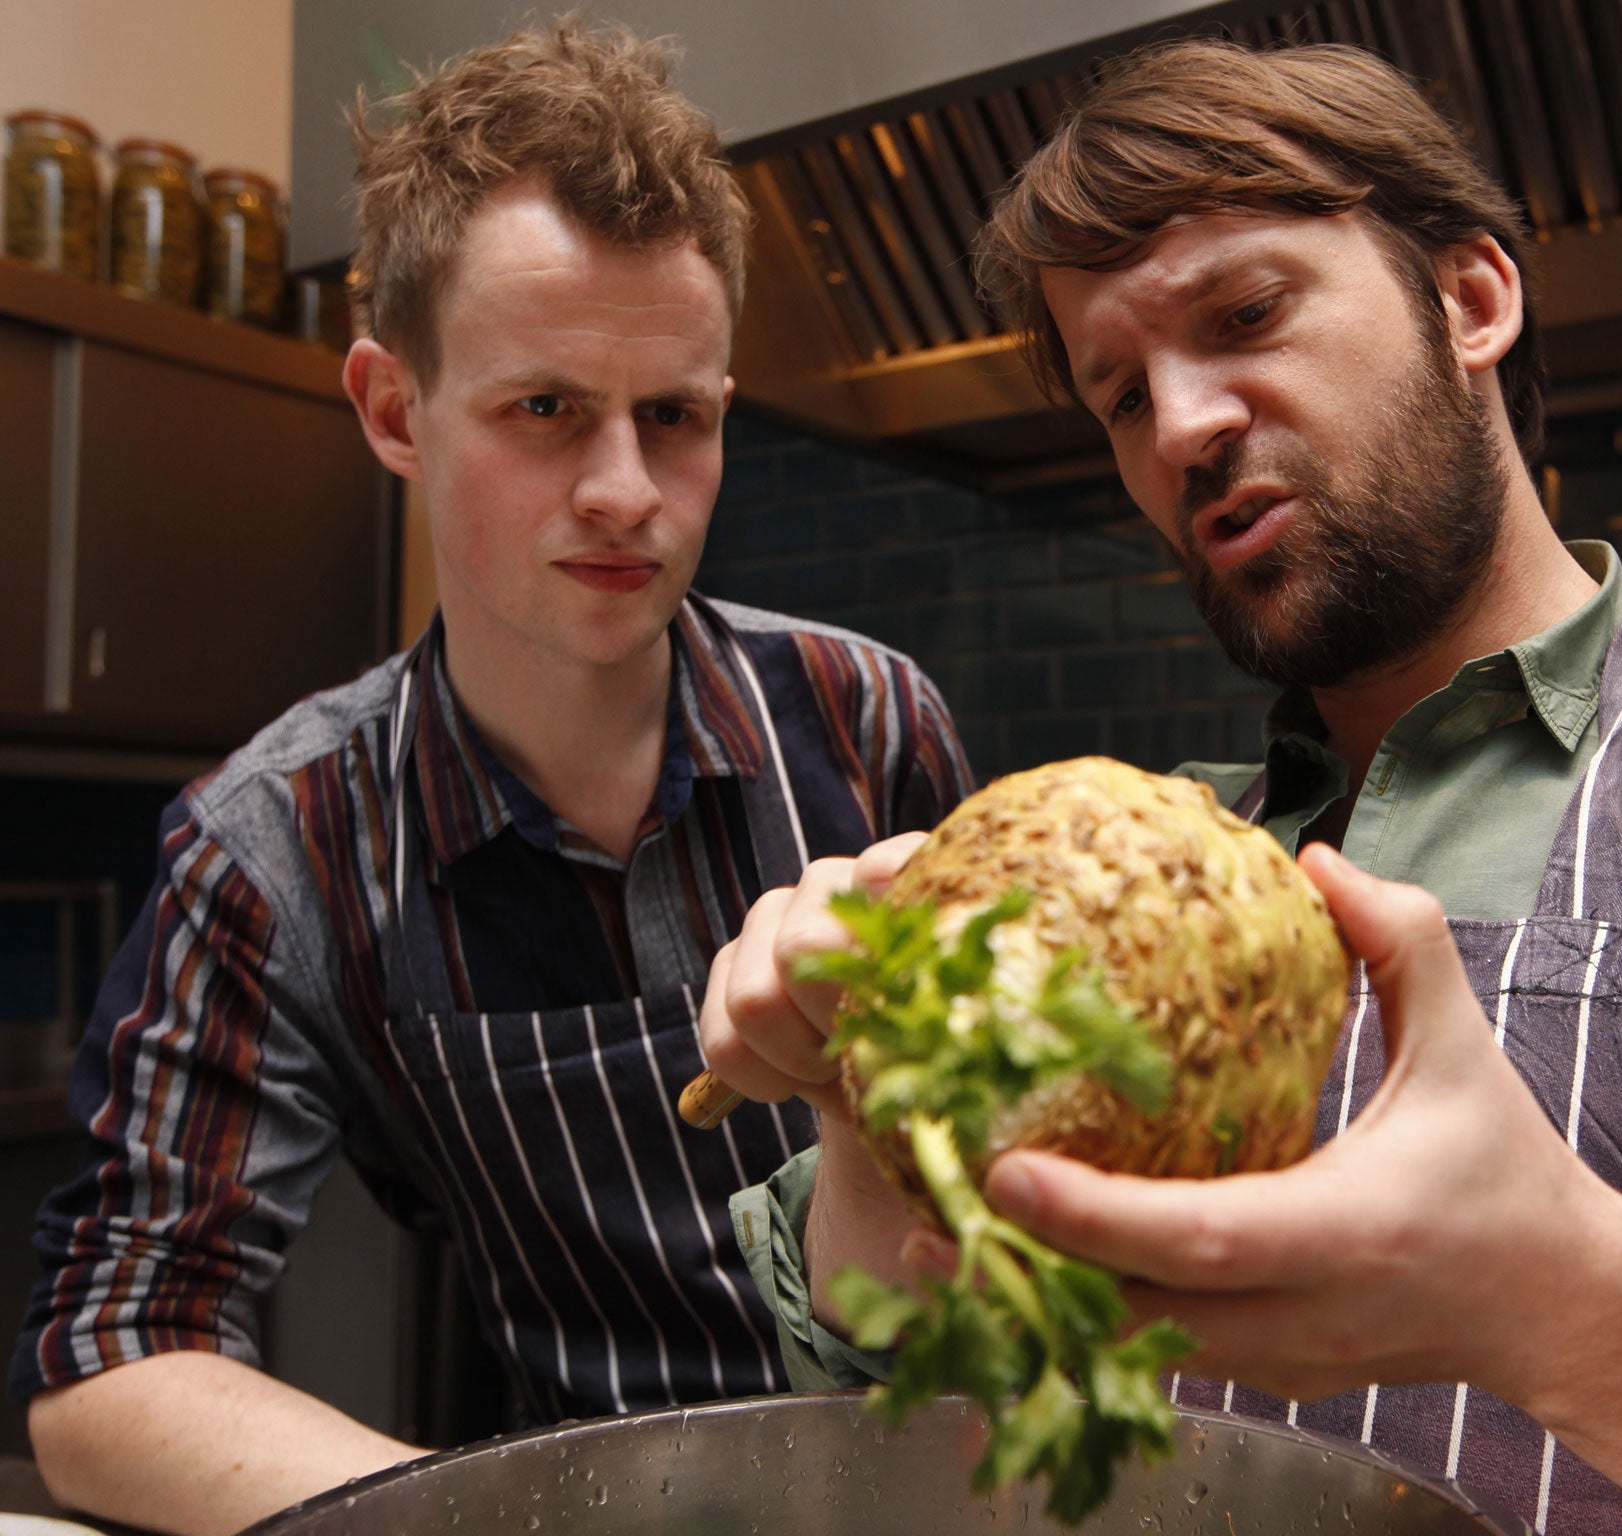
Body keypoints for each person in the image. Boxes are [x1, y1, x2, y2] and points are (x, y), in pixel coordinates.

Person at [698, 38, 1622, 1536]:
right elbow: (922, 1403)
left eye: (1247, 313)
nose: (1187, 426)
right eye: (1122, 398)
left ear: (1471, 300)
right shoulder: (1122, 878)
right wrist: (861, 1116)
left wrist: (1563, 1296)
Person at [11, 24, 971, 1536]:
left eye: (676, 416)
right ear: (395, 410)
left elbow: (1011, 1172)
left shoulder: (868, 719)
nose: (624, 491)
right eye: (546, 410)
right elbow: (109, 1356)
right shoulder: (280, 848)